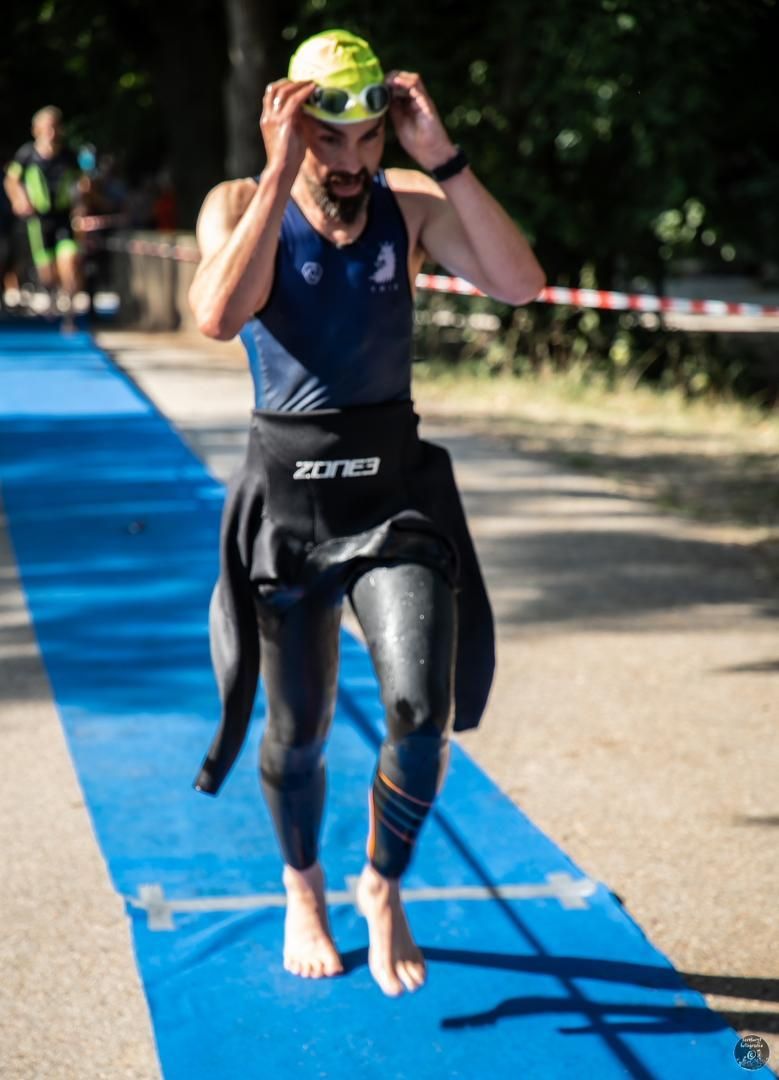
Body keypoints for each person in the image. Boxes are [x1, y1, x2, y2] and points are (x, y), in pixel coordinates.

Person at [189, 28, 544, 997]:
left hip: (392, 499)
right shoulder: (234, 203)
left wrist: (443, 156)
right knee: (295, 731)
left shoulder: (413, 203)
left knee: (418, 711)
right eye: (325, 142)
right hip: (289, 507)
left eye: (365, 140)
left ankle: (380, 884)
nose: (347, 164)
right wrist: (274, 177)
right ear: (292, 127)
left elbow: (520, 284)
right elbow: (218, 316)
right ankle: (302, 885)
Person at [3, 106, 82, 307]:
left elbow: (81, 183)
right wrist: (20, 200)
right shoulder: (27, 154)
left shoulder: (69, 155)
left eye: (55, 128)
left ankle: (69, 301)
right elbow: (11, 180)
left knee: (69, 259)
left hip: (64, 217)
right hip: (39, 220)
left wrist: (81, 204)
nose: (52, 133)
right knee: (46, 271)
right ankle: (53, 288)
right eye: (47, 128)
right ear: (36, 130)